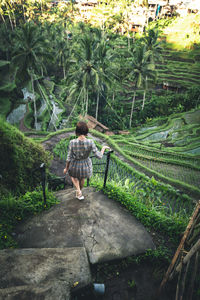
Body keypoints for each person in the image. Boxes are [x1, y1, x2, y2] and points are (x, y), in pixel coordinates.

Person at [63, 121, 110, 200]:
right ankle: (79, 193)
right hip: (85, 165)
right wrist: (103, 148)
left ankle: (78, 191)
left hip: (75, 164)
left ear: (77, 131)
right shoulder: (90, 142)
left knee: (73, 176)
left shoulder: (72, 142)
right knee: (82, 179)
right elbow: (99, 156)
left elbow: (69, 157)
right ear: (86, 131)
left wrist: (66, 168)